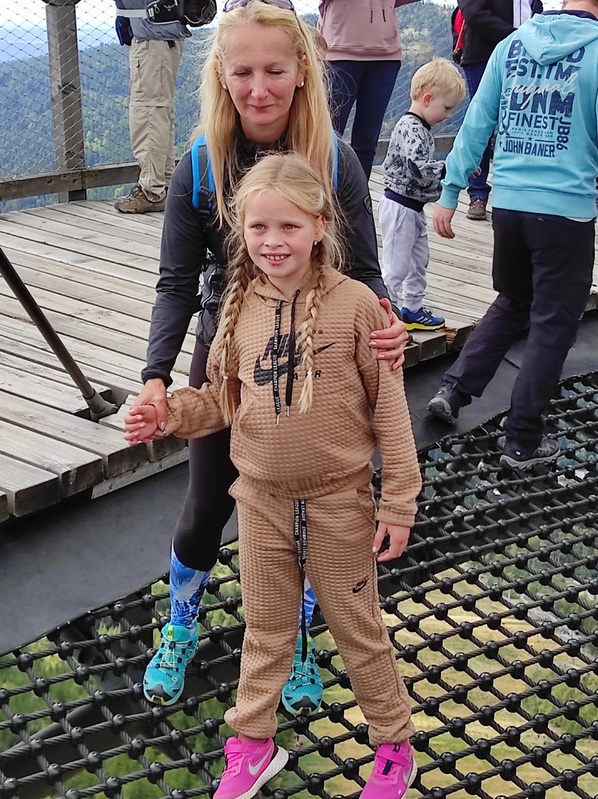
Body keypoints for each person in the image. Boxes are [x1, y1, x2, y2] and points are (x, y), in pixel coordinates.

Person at [132, 0, 409, 714]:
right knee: (206, 501)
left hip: (320, 351)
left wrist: (387, 324)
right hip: (229, 348)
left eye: (275, 71)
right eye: (243, 72)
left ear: (302, 72)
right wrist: (157, 377)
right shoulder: (202, 167)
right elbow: (176, 283)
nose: (259, 90)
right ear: (222, 76)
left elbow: (366, 270)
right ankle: (182, 624)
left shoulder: (333, 159)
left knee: (311, 506)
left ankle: (300, 641)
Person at [124, 151, 421, 799]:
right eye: (258, 227)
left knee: (358, 629)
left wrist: (398, 502)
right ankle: (254, 743)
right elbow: (221, 403)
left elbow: (391, 412)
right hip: (259, 498)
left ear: (320, 226)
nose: (272, 241)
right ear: (241, 231)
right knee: (264, 627)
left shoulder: (356, 307)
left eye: (289, 226)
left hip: (338, 499)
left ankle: (394, 745)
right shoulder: (238, 310)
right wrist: (169, 413)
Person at [426, 0, 598, 470]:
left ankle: (453, 390)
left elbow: (477, 123)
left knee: (513, 300)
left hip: (509, 205)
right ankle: (522, 440)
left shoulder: (513, 44)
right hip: (565, 211)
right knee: (553, 325)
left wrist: (451, 190)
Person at [378, 58, 466, 331]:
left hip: (414, 207)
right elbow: (417, 168)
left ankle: (413, 309)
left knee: (418, 261)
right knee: (396, 266)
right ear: (427, 99)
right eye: (447, 108)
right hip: (399, 207)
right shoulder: (411, 127)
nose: (448, 116)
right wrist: (449, 168)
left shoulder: (422, 128)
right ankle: (385, 313)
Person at [457, 0, 543, 221]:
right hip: (485, 54)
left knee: (524, 121)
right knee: (481, 124)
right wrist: (517, 36)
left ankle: (521, 190)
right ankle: (477, 193)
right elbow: (474, 13)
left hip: (529, 54)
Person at [113, 0, 189, 214]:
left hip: (151, 38)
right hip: (163, 35)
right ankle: (164, 184)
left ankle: (151, 191)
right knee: (159, 112)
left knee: (147, 113)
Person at [318, 0, 404, 180]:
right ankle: (321, 193)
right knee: (326, 137)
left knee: (367, 141)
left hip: (385, 56)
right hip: (339, 52)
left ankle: (360, 196)